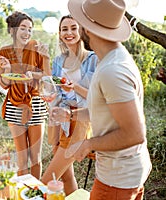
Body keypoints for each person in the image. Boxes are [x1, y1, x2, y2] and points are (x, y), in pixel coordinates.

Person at [51, 0, 152, 199]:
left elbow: (134, 134)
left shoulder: (112, 70)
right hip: (125, 173)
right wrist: (71, 114)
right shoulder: (112, 58)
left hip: (117, 179)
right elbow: (106, 110)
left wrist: (88, 144)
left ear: (87, 29)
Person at [41, 15, 98, 195]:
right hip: (59, 120)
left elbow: (96, 99)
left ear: (81, 31)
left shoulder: (93, 59)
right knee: (65, 176)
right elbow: (52, 88)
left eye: (73, 28)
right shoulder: (59, 61)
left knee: (46, 181)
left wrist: (74, 87)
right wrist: (45, 61)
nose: (69, 33)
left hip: (78, 119)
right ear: (59, 34)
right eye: (64, 29)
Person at [0, 11, 50, 179]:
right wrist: (6, 70)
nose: (27, 33)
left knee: (35, 158)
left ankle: (35, 193)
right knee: (22, 160)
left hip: (36, 104)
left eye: (30, 29)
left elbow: (47, 76)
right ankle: (22, 194)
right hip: (14, 104)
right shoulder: (4, 52)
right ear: (12, 30)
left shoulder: (36, 47)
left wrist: (35, 73)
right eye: (23, 28)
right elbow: (5, 84)